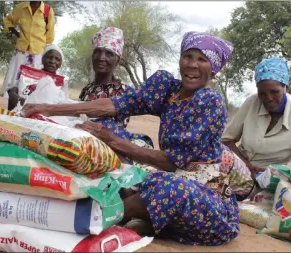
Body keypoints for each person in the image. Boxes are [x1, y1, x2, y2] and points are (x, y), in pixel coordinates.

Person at [21, 31, 240, 246]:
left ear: (213, 69)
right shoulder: (167, 88)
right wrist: (50, 109)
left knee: (168, 188)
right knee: (107, 127)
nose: (192, 64)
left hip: (204, 199)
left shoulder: (209, 102)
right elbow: (114, 105)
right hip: (167, 177)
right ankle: (142, 213)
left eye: (202, 60)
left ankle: (93, 217)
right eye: (188, 57)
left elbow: (170, 162)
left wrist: (113, 141)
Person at [221, 56, 291, 174]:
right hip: (237, 169)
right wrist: (246, 165)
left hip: (271, 180)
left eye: (275, 92)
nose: (269, 98)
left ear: (286, 88)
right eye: (262, 94)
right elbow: (227, 140)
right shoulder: (252, 103)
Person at [79, 27, 154, 149]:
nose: (101, 57)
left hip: (112, 148)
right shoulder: (86, 90)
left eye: (109, 53)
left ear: (117, 60)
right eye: (97, 51)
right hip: (82, 142)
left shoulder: (125, 91)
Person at [0, 1, 55, 110]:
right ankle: (11, 111)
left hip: (37, 56)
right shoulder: (21, 7)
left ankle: (24, 113)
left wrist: (38, 44)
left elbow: (50, 36)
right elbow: (8, 20)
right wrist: (15, 33)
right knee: (14, 84)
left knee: (31, 86)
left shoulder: (48, 11)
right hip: (20, 52)